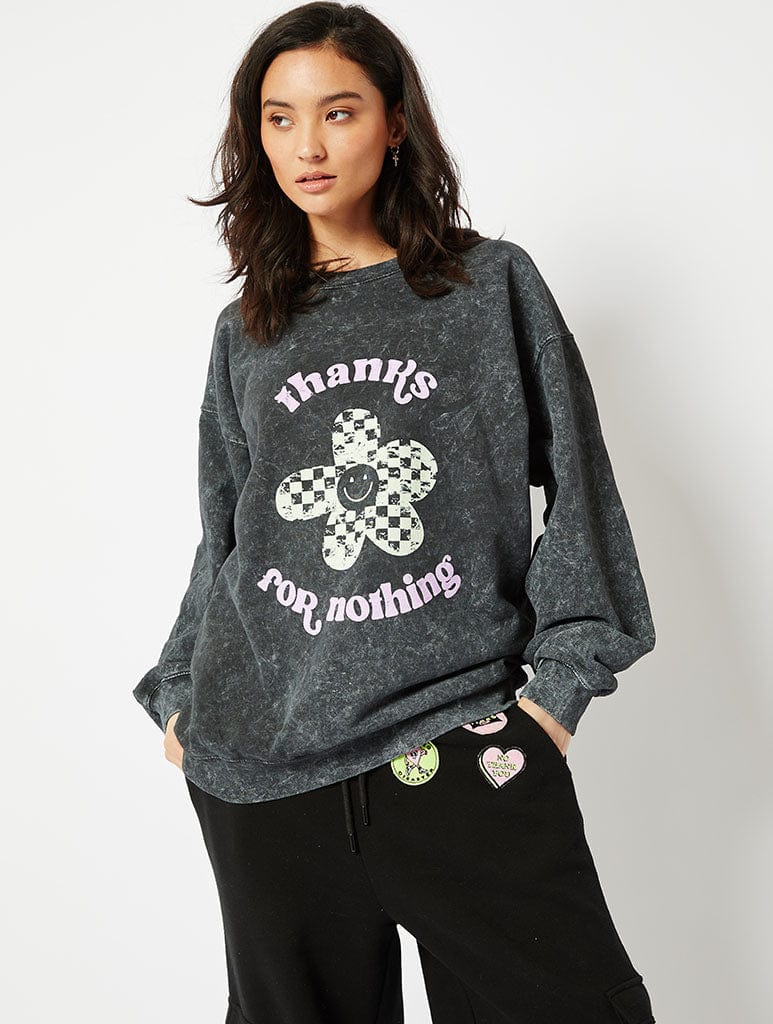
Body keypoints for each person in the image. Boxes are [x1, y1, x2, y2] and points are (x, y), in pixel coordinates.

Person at [132, 3, 658, 1022]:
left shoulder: (485, 287)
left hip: (457, 746)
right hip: (262, 774)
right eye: (279, 119)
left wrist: (556, 691)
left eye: (337, 112)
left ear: (394, 122)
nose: (308, 145)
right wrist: (182, 697)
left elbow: (579, 487)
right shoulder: (249, 328)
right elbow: (228, 529)